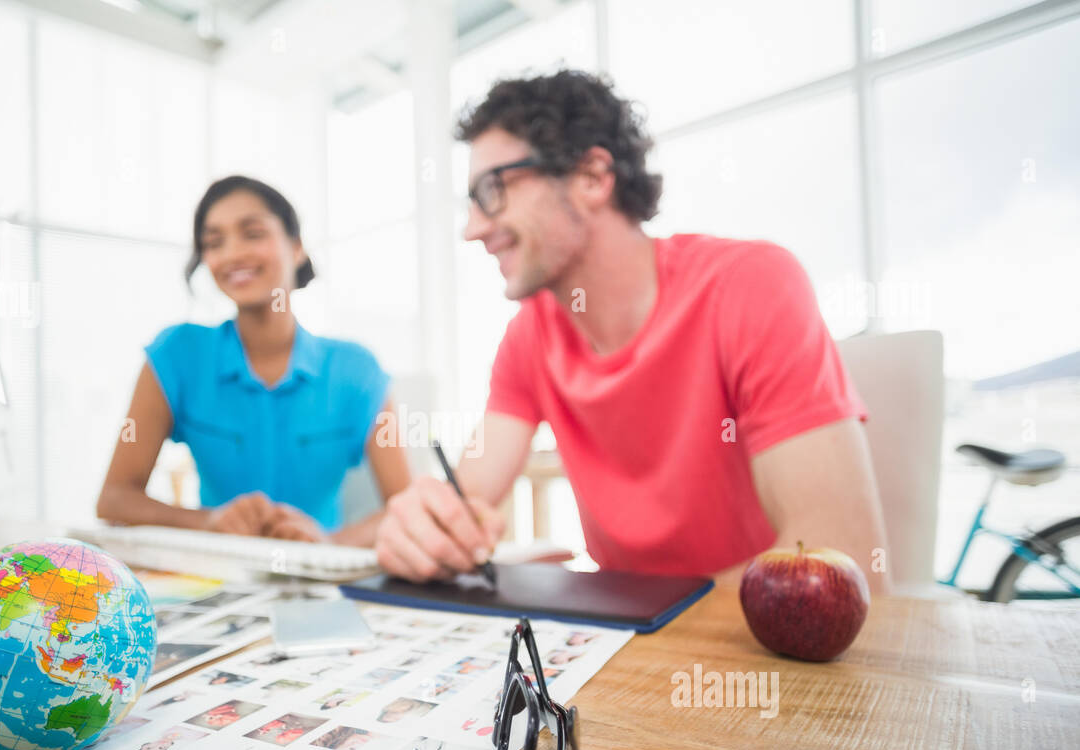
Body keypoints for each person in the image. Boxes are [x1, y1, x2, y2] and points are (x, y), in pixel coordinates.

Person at [375, 70, 889, 595]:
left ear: (593, 176)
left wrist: (647, 617)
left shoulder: (749, 285)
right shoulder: (527, 339)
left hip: (754, 656)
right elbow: (467, 501)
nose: (472, 228)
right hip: (627, 640)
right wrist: (426, 532)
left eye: (492, 190)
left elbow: (840, 562)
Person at [98, 176, 411, 545]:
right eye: (214, 242)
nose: (231, 254)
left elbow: (405, 507)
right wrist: (208, 521)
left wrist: (329, 544)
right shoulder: (177, 355)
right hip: (217, 576)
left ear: (296, 248)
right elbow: (114, 500)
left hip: (319, 578)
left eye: (252, 233)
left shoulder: (357, 371)